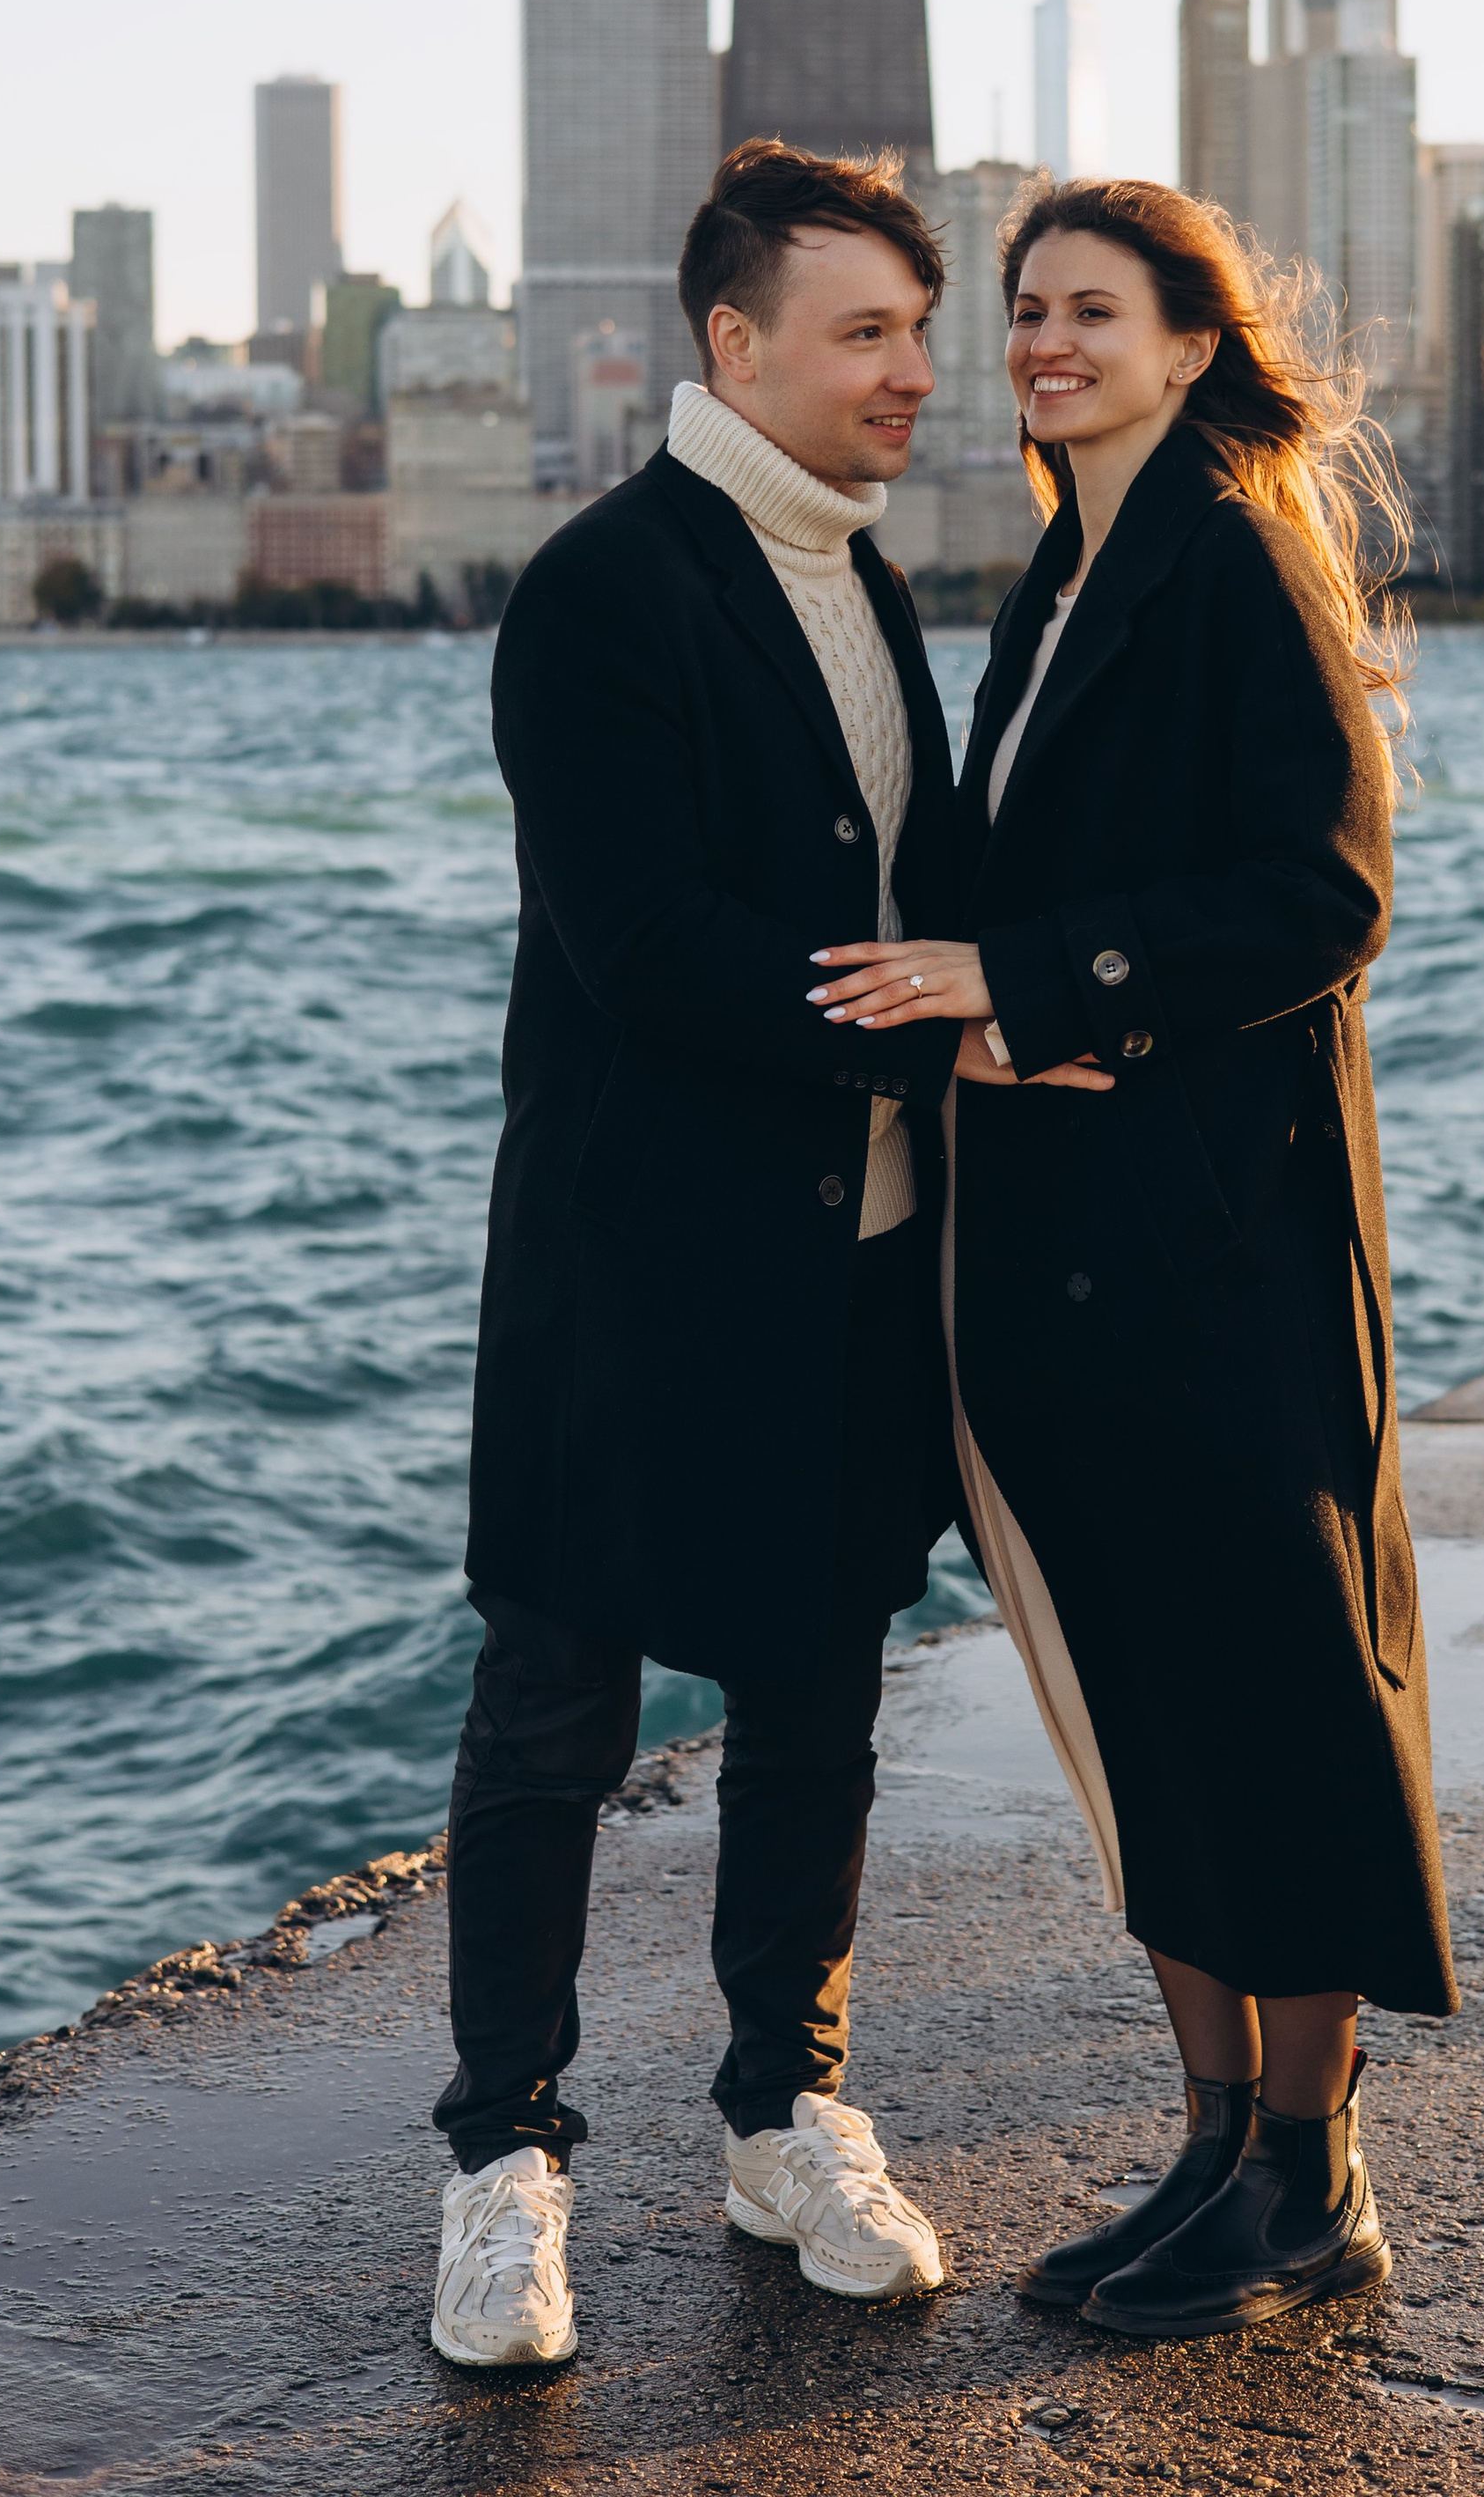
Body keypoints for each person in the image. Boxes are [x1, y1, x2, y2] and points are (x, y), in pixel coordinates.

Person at [428, 140, 1095, 2371]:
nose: (926, 371)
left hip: (853, 1262)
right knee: (555, 1706)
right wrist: (937, 1024)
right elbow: (639, 949)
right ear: (735, 344)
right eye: (870, 334)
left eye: (922, 331)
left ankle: (779, 2109)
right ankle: (500, 2161)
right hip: (637, 1276)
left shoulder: (867, 579)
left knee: (814, 1702)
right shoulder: (605, 586)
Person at [812, 175, 1459, 2344]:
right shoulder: (1079, 568)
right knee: (1149, 1709)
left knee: (1267, 1696)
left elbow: (1323, 891)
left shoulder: (1232, 555)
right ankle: (1207, 2147)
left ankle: (1307, 2177)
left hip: (1220, 1249)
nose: (1039, 343)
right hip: (1086, 1257)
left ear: (1192, 343)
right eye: (1021, 313)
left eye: (1088, 309)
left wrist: (1051, 982)